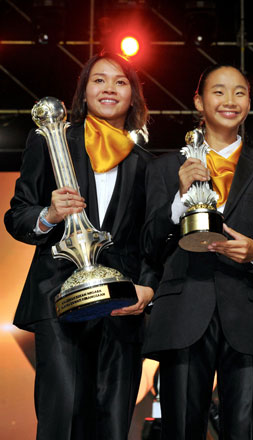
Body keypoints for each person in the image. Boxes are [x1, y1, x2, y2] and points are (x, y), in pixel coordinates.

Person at [4, 52, 156, 439]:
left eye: (120, 82)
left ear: (134, 97)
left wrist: (148, 287)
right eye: (99, 80)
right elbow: (18, 215)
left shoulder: (147, 164)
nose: (109, 88)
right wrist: (48, 215)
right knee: (63, 415)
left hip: (121, 305)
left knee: (113, 419)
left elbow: (152, 241)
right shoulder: (52, 140)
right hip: (59, 298)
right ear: (83, 92)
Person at [141, 65, 253, 439]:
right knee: (180, 430)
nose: (230, 101)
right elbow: (148, 243)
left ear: (249, 103)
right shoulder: (164, 169)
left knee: (244, 431)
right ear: (198, 101)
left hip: (248, 314)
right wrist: (179, 197)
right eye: (219, 92)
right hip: (183, 314)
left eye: (240, 92)